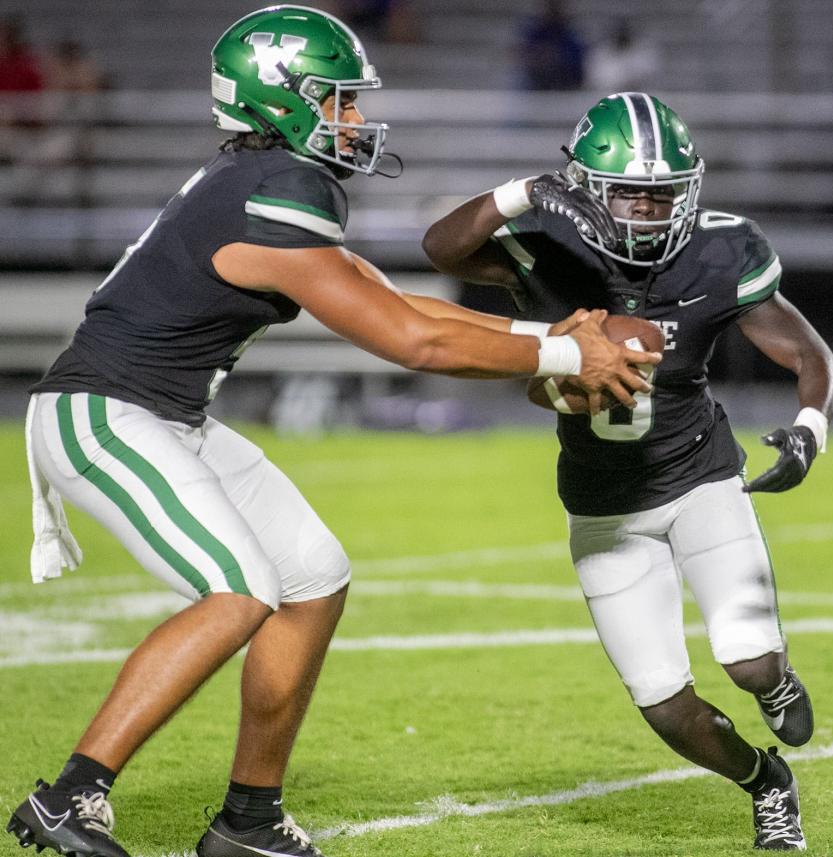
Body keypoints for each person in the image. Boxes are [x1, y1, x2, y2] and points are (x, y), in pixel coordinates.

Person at [5, 10, 656, 857]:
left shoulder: (267, 180)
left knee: (312, 577)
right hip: (104, 411)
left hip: (168, 414)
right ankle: (69, 795)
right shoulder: (278, 187)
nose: (353, 120)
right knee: (238, 590)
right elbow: (410, 343)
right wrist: (573, 348)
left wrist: (550, 338)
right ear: (281, 101)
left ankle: (249, 818)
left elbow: (399, 304)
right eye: (337, 102)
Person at [422, 92, 833, 850]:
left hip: (700, 476)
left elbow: (813, 356)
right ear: (583, 186)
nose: (649, 210)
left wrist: (810, 429)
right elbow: (442, 247)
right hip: (603, 506)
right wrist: (520, 191)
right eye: (630, 192)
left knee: (748, 661)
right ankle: (764, 780)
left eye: (664, 193)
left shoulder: (722, 249)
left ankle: (776, 679)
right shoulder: (546, 244)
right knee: (660, 701)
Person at [517, 0, 586, 91]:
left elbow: (577, 58)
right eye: (550, 7)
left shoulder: (570, 32)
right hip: (535, 86)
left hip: (566, 84)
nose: (553, 12)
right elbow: (524, 54)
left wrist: (557, 56)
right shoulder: (535, 31)